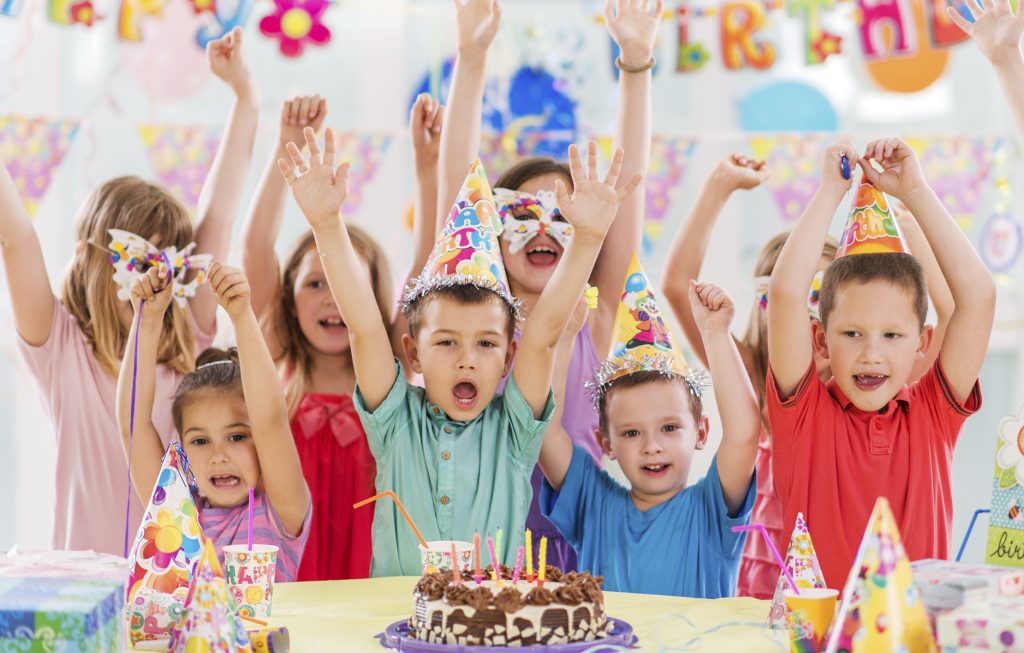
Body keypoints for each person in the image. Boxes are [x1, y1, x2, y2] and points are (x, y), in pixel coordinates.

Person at [279, 126, 639, 575]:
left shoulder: (515, 430)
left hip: (492, 636)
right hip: (395, 630)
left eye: (486, 344)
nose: (467, 358)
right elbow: (366, 329)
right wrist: (326, 225)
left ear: (509, 358)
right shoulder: (394, 423)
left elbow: (545, 333)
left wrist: (586, 238)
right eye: (446, 341)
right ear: (413, 354)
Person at [2, 28, 258, 554]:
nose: (155, 278)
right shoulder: (59, 348)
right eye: (137, 259)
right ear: (89, 259)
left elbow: (220, 215)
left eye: (167, 263)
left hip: (175, 589)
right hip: (81, 593)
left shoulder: (188, 336)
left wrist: (244, 96)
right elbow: (17, 236)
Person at [661, 154, 953, 598]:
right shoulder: (757, 370)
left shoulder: (892, 382)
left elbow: (953, 315)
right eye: (805, 299)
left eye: (824, 296)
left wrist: (912, 225)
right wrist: (718, 185)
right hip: (771, 573)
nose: (812, 311)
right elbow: (680, 284)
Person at [435, 0, 661, 571]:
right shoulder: (474, 315)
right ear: (491, 226)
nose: (545, 226)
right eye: (523, 212)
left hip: (578, 543)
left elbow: (627, 185)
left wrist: (635, 64)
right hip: (478, 543)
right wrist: (472, 56)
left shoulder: (597, 315)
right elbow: (458, 181)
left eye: (565, 215)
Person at [766, 139, 993, 588]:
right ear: (821, 341)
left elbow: (979, 297)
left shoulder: (933, 414)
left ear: (922, 344)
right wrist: (829, 190)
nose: (872, 353)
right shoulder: (804, 416)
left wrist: (915, 191)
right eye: (852, 334)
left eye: (892, 335)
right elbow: (786, 295)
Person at [538, 261, 759, 597]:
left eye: (669, 427)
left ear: (701, 433)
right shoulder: (592, 503)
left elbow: (744, 434)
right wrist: (565, 338)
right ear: (605, 442)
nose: (651, 446)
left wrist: (716, 334)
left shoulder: (711, 509)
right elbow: (544, 432)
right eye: (631, 433)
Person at [117, 262, 311, 580]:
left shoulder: (281, 512)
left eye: (236, 437)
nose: (219, 455)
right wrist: (147, 321)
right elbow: (132, 425)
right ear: (183, 449)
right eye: (200, 441)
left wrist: (241, 315)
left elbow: (271, 420)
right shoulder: (176, 512)